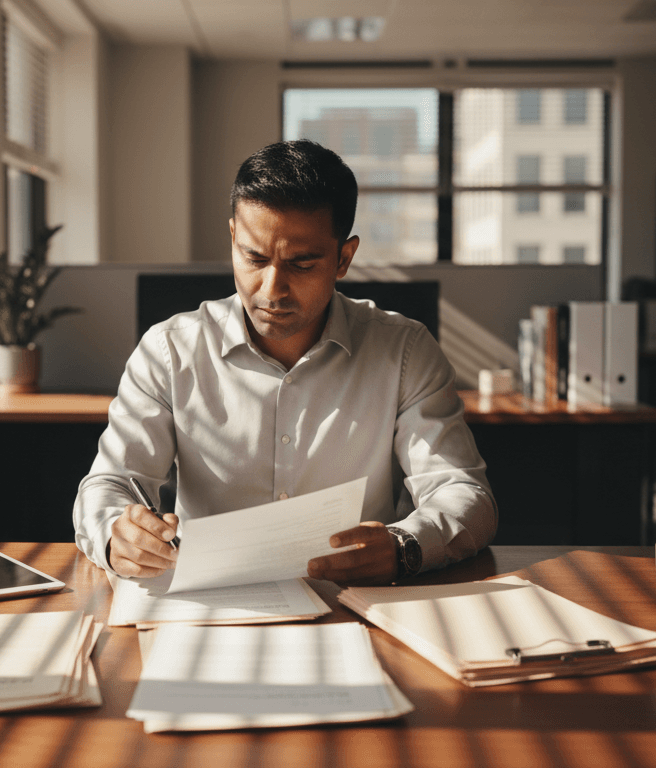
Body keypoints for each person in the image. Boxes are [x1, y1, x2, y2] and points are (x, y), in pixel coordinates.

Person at [73, 139, 496, 585]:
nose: (272, 289)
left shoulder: (405, 352)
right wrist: (117, 535)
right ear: (233, 238)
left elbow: (463, 493)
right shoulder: (169, 351)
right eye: (254, 258)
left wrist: (403, 546)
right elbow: (108, 485)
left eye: (301, 264)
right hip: (209, 600)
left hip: (354, 600)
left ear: (343, 258)